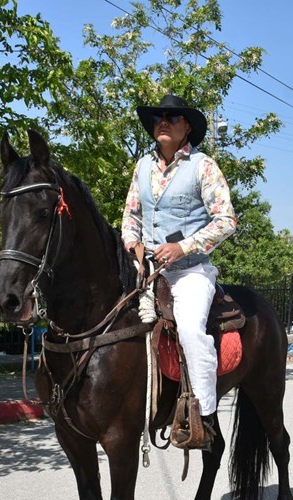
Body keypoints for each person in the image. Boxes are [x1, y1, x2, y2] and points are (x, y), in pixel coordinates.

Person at [121, 93, 237, 447]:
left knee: (189, 330)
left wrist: (183, 246)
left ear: (187, 126)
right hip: (147, 270)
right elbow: (131, 216)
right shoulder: (142, 167)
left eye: (173, 117)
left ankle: (203, 417)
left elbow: (226, 221)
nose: (164, 122)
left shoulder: (203, 166)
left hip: (190, 271)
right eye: (158, 117)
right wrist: (132, 244)